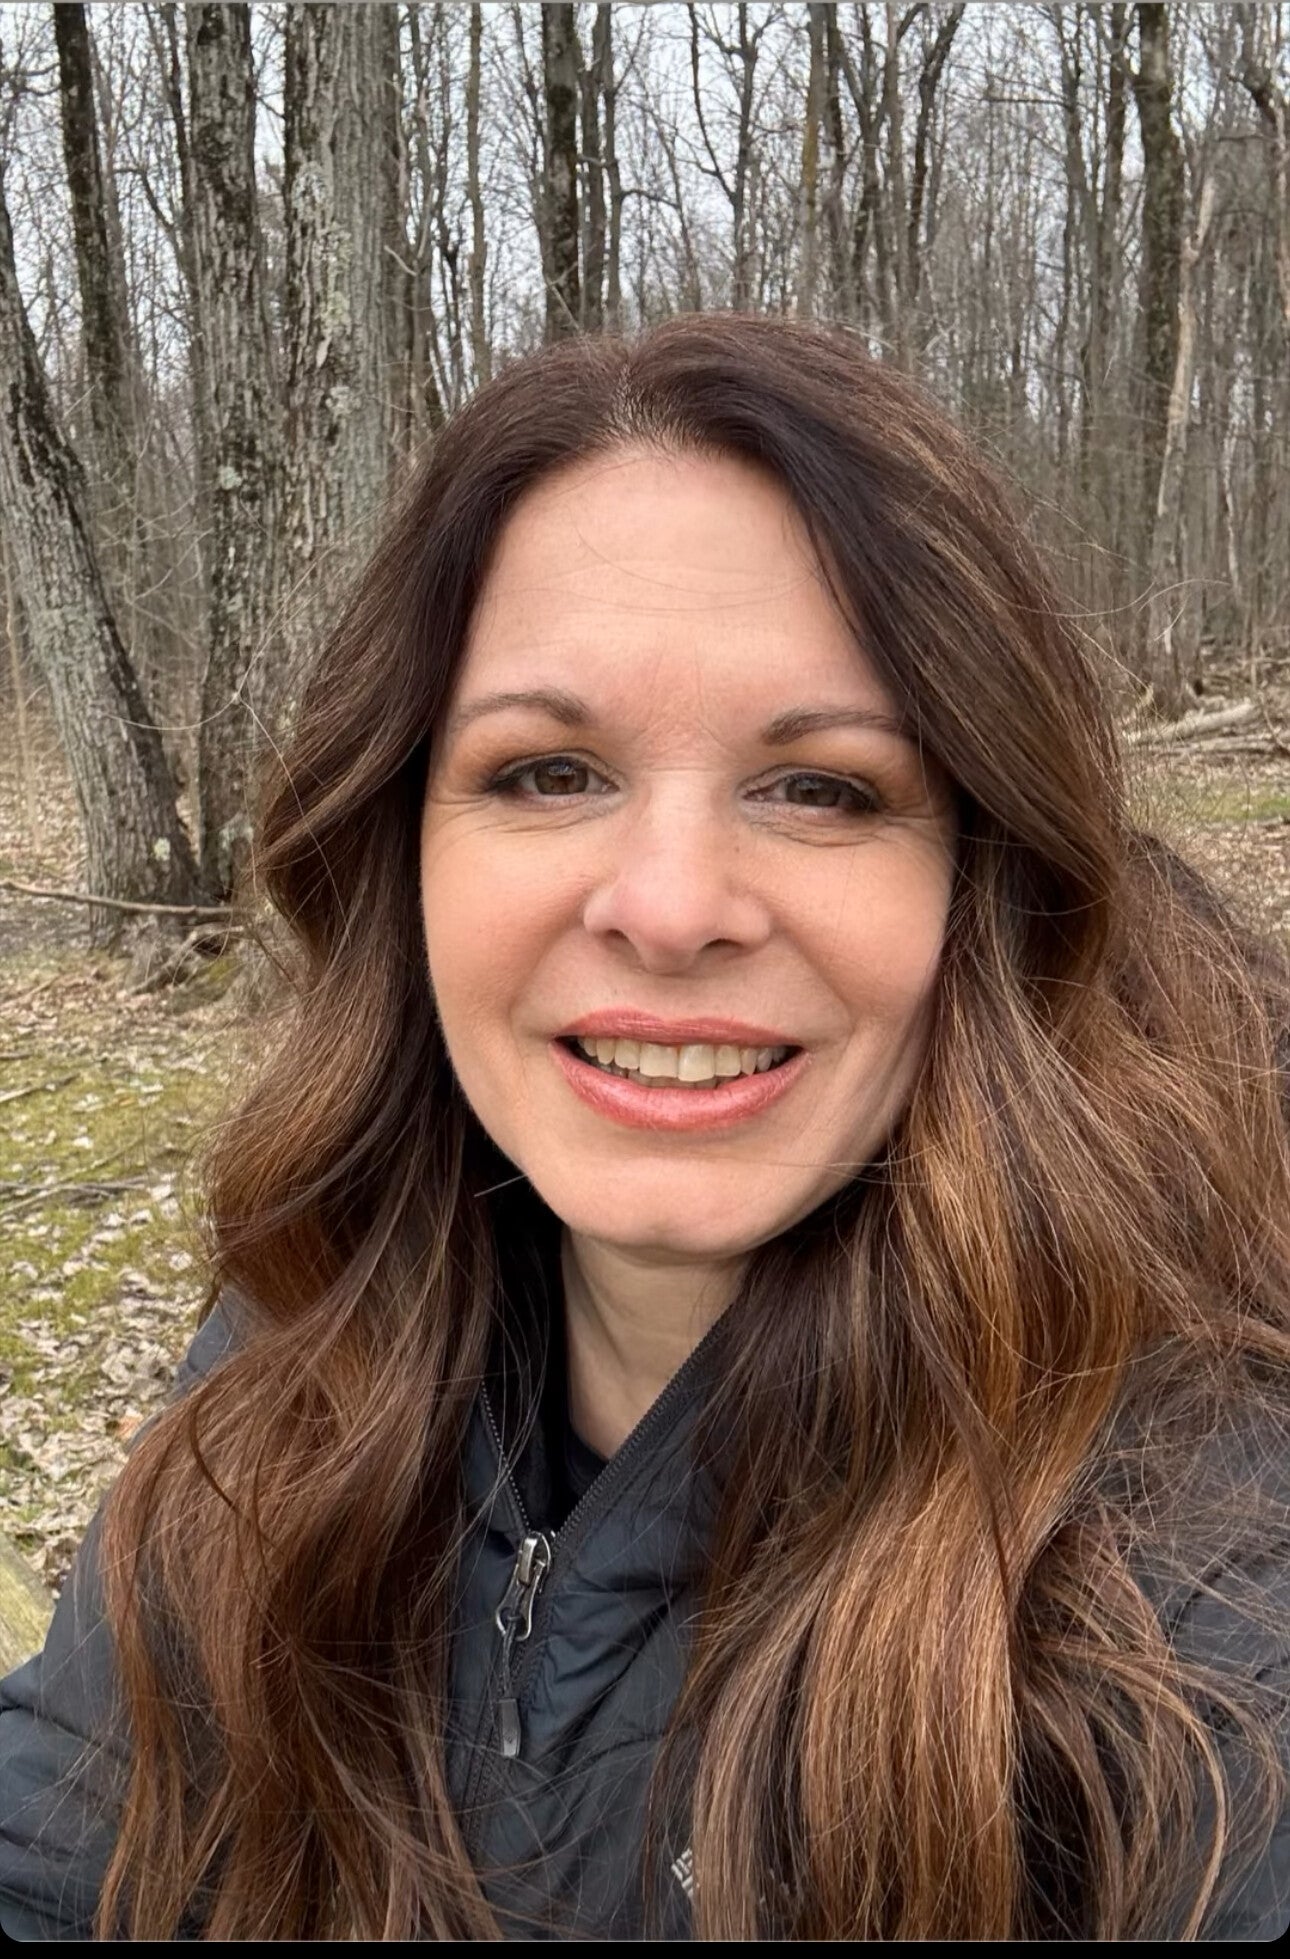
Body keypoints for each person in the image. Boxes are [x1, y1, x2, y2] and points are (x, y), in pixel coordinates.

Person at [2, 312, 1288, 1942]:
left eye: (821, 788)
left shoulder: (1207, 1575)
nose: (671, 910)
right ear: (399, 848)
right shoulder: (315, 1327)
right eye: (549, 773)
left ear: (988, 881)